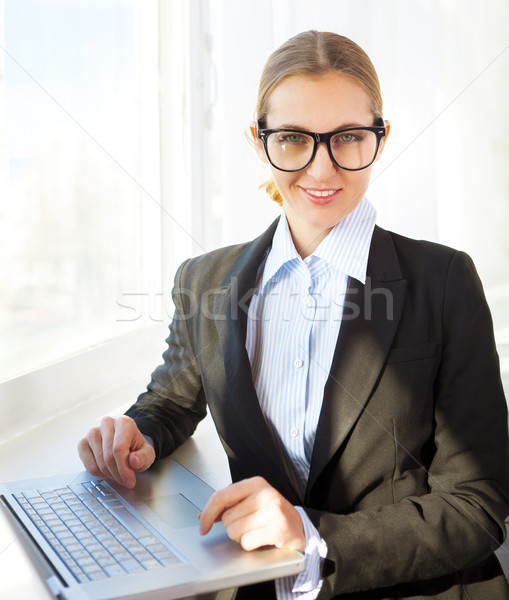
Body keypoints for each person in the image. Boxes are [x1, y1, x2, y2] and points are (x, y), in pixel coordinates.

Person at [78, 30, 509, 599]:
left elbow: (477, 506)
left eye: (349, 138)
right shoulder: (204, 281)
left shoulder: (446, 280)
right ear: (259, 142)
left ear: (381, 139)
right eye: (293, 139)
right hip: (258, 587)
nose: (322, 170)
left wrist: (313, 539)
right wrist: (138, 436)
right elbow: (173, 400)